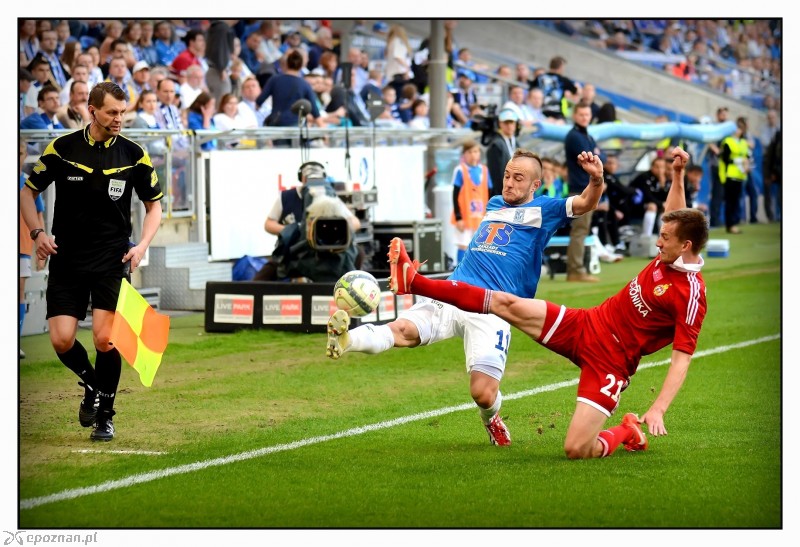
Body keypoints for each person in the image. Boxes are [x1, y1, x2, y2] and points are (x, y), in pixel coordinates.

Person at [388, 147, 707, 460]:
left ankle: (627, 432)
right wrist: (677, 175)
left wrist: (658, 409)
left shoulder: (690, 294)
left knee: (577, 449)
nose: (658, 242)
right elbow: (675, 219)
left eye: (665, 238)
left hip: (612, 360)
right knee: (504, 304)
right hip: (588, 322)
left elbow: (682, 359)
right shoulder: (670, 253)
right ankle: (415, 282)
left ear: (685, 246)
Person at [325, 148, 605, 447]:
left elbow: (586, 202)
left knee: (483, 393)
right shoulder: (495, 203)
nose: (509, 183)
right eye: (507, 176)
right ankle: (346, 340)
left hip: (493, 309)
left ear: (535, 185)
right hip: (453, 291)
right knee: (403, 331)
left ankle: (491, 419)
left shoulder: (546, 209)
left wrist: (597, 179)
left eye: (518, 178)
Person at [19, 81, 164, 442]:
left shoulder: (134, 154)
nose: (119, 119)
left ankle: (105, 416)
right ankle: (93, 385)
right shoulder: (63, 148)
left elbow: (154, 206)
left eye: (123, 112)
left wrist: (142, 245)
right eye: (112, 112)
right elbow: (28, 191)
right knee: (62, 340)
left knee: (104, 340)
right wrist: (38, 233)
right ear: (92, 109)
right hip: (66, 257)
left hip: (111, 258)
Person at [254, 161, 361, 282]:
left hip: (327, 251)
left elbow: (356, 223)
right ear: (302, 178)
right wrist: (292, 231)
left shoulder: (330, 197)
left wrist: (337, 228)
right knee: (271, 268)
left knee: (358, 253)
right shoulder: (286, 197)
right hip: (296, 248)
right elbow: (268, 224)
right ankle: (252, 295)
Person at [564, 101, 605, 282]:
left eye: (587, 115)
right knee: (579, 231)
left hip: (585, 188)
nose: (584, 118)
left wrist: (597, 153)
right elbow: (594, 158)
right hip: (580, 190)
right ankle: (575, 270)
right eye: (581, 115)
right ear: (574, 116)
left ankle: (577, 268)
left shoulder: (586, 135)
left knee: (582, 230)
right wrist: (597, 153)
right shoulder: (575, 136)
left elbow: (599, 156)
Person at [19, 142, 46, 359]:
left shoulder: (26, 184)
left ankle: (15, 341)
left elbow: (39, 217)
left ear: (25, 155)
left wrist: (40, 247)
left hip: (21, 249)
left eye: (19, 153)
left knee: (18, 294)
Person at [450, 139, 493, 265]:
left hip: (480, 216)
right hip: (465, 216)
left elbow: (489, 193)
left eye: (476, 151)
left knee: (481, 247)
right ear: (465, 154)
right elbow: (455, 195)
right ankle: (460, 273)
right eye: (470, 152)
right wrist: (458, 217)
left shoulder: (484, 170)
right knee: (463, 244)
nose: (473, 155)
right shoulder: (460, 170)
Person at [718, 116, 750, 234]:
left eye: (740, 128)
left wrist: (746, 164)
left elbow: (747, 156)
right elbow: (724, 159)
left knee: (736, 200)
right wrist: (738, 161)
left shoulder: (743, 142)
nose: (738, 130)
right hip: (730, 175)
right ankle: (730, 224)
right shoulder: (727, 141)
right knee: (730, 201)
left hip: (740, 175)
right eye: (736, 128)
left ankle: (734, 222)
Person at [484, 108, 519, 199]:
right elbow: (496, 176)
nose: (509, 126)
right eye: (506, 123)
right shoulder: (496, 145)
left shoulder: (516, 143)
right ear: (500, 124)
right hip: (501, 196)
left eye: (511, 122)